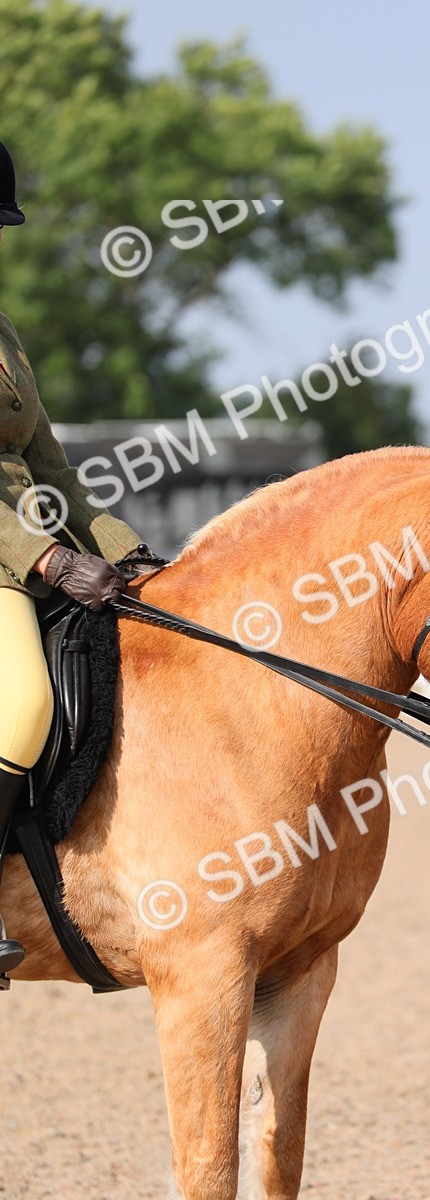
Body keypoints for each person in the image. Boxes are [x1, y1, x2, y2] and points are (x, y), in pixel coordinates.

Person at [0, 140, 148, 978]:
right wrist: (50, 564)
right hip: (6, 562)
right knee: (22, 704)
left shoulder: (3, 332)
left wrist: (128, 552)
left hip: (36, 542)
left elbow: (52, 467)